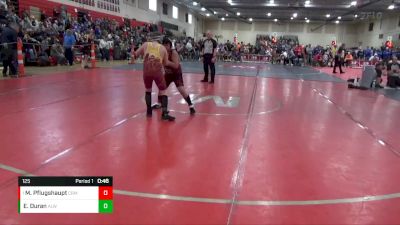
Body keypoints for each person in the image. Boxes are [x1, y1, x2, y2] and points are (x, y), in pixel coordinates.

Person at [132, 34, 176, 121]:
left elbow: (134, 56)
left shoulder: (145, 44)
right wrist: (173, 64)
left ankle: (149, 112)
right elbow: (166, 62)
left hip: (147, 71)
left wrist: (132, 52)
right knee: (163, 91)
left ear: (151, 40)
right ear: (160, 40)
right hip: (157, 71)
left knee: (148, 90)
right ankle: (164, 113)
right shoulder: (162, 48)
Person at [152, 38, 196, 114]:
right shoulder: (161, 52)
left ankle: (191, 105)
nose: (165, 46)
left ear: (170, 46)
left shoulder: (173, 53)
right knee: (161, 87)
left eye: (167, 45)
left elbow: (176, 66)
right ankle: (159, 104)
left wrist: (167, 62)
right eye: (164, 45)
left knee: (181, 89)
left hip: (176, 73)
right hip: (168, 73)